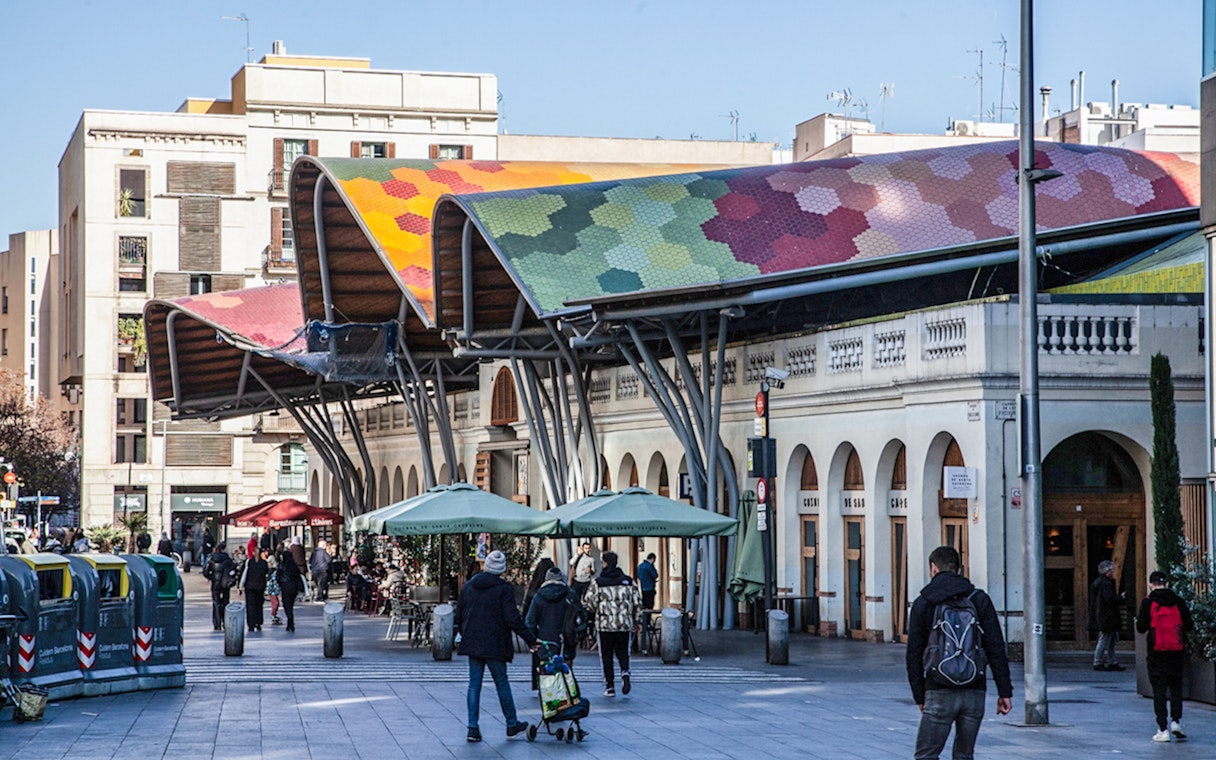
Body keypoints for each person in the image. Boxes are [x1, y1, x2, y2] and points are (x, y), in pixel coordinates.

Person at [906, 545, 1012, 760]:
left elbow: (914, 654)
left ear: (933, 569)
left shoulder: (924, 602)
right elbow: (996, 648)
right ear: (959, 569)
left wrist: (920, 695)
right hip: (974, 690)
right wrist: (1004, 691)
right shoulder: (979, 599)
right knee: (964, 755)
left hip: (938, 689)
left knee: (926, 754)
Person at [454, 549, 537, 744]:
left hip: (473, 641)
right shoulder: (504, 589)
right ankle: (511, 723)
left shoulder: (469, 586)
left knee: (474, 685)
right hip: (495, 643)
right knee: (502, 683)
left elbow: (459, 614)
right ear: (502, 568)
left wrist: (464, 632)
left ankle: (472, 728)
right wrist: (531, 639)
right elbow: (513, 619)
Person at [1136, 570, 1193, 743]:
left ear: (1151, 585)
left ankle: (1162, 729)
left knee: (1159, 690)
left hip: (1156, 652)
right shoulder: (1178, 601)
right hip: (1176, 652)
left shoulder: (1148, 602)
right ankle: (1176, 721)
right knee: (1176, 687)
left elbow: (1141, 627)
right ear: (1167, 584)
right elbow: (1189, 625)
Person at [583, 550, 642, 697]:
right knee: (623, 652)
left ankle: (610, 686)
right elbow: (638, 602)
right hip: (624, 624)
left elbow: (590, 603)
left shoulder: (598, 583)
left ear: (605, 563)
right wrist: (637, 620)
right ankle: (625, 672)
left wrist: (595, 612)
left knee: (606, 655)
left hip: (605, 625)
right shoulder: (628, 581)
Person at [526, 565, 584, 690]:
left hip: (545, 641)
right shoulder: (570, 595)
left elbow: (530, 621)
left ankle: (550, 697)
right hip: (566, 640)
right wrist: (578, 634)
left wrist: (532, 640)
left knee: (547, 674)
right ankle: (566, 696)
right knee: (566, 673)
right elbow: (581, 617)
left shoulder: (539, 596)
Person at [1090, 559, 1126, 671]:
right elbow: (1109, 599)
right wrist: (1121, 598)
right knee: (1105, 639)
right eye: (1112, 569)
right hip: (1107, 616)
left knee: (1111, 639)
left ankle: (1112, 661)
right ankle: (1098, 661)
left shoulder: (1099, 582)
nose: (1113, 571)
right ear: (1107, 571)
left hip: (1105, 616)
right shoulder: (1106, 584)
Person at [203, 542, 236, 631]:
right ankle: (225, 621)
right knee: (225, 602)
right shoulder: (228, 559)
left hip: (215, 583)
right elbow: (233, 570)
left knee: (216, 603)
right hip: (225, 583)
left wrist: (212, 577)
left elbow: (205, 571)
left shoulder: (212, 558)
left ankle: (217, 623)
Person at [276, 548, 303, 632]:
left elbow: (278, 577)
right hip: (293, 587)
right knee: (291, 604)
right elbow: (298, 577)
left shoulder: (281, 565)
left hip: (285, 587)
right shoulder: (294, 565)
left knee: (286, 605)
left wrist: (279, 584)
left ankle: (290, 619)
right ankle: (290, 621)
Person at [242, 548, 269, 632]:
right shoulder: (264, 563)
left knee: (250, 606)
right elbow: (266, 573)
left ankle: (251, 623)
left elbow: (244, 574)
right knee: (259, 605)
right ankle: (258, 622)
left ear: (253, 553)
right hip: (260, 587)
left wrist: (241, 585)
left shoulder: (249, 562)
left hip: (250, 587)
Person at [266, 548, 282, 625]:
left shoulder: (273, 570)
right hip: (273, 588)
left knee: (275, 602)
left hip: (273, 588)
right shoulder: (273, 570)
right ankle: (273, 615)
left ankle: (274, 614)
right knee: (275, 602)